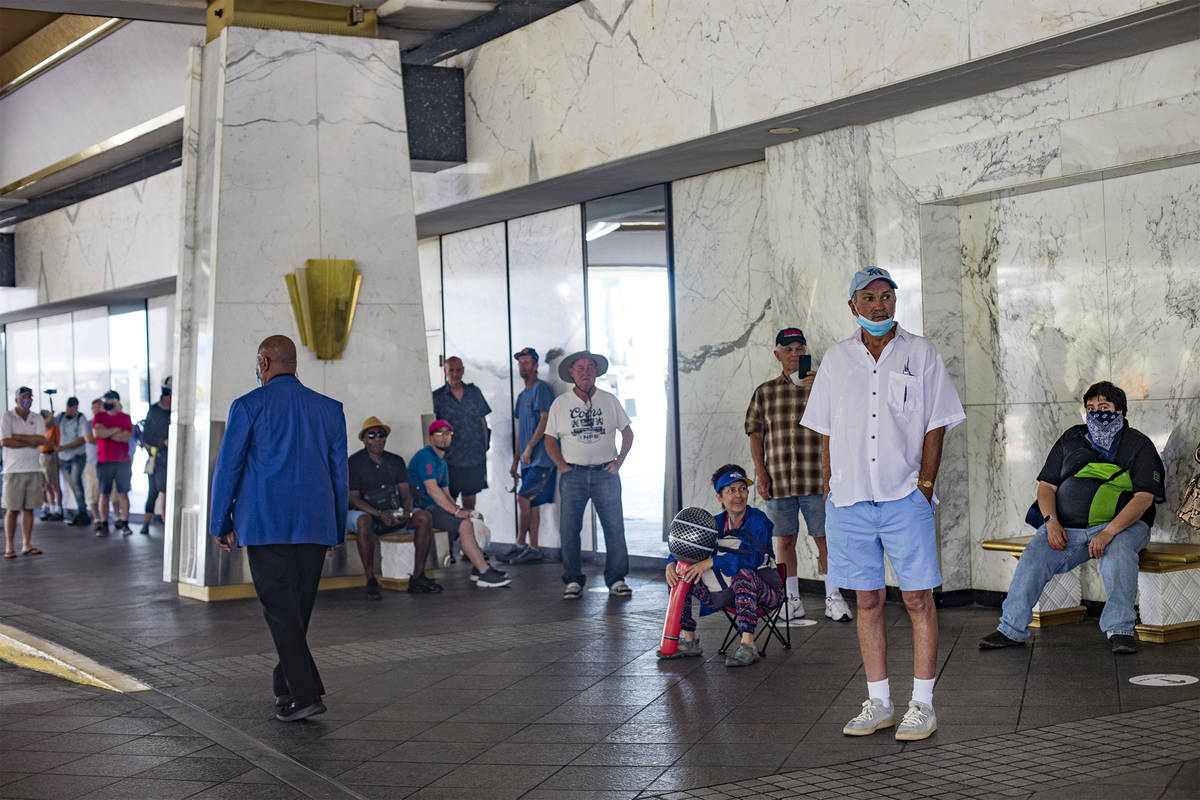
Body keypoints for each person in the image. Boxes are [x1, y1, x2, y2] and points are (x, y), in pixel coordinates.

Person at [802, 266, 965, 742]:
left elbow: (937, 423)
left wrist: (926, 486)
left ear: (896, 301)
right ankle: (878, 701)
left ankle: (922, 704)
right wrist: (831, 485)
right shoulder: (836, 359)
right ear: (853, 306)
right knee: (867, 600)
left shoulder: (922, 353)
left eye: (887, 296)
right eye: (869, 297)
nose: (880, 305)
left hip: (905, 496)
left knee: (917, 598)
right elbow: (826, 428)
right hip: (850, 501)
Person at [209, 335, 347, 723]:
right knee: (296, 611)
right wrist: (336, 527)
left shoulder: (248, 406)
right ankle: (285, 685)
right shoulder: (330, 409)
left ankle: (305, 694)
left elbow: (229, 468)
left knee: (281, 612)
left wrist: (221, 522)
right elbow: (340, 473)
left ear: (265, 363)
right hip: (316, 525)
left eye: (258, 364)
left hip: (265, 524)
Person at [980, 381, 1165, 655]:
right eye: (1090, 408)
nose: (1096, 413)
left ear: (1121, 410)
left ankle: (1121, 630)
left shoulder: (1138, 444)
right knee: (1034, 557)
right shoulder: (1072, 438)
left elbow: (1144, 498)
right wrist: (1051, 521)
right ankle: (1010, 629)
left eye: (1104, 407)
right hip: (1067, 528)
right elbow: (1047, 486)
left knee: (1118, 555)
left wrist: (1109, 532)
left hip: (1123, 527)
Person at [746, 327, 853, 624]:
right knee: (784, 541)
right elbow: (755, 434)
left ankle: (834, 596)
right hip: (778, 479)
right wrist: (760, 473)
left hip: (816, 478)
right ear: (777, 354)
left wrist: (824, 386)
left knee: (824, 538)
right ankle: (791, 598)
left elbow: (844, 420)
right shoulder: (765, 392)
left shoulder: (823, 386)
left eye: (799, 348)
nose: (795, 354)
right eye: (789, 349)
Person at [660, 465, 783, 667]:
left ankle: (748, 645)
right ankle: (689, 639)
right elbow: (685, 548)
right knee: (681, 574)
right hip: (727, 592)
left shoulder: (758, 520)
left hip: (765, 591)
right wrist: (671, 564)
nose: (738, 495)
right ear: (720, 497)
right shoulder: (713, 524)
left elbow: (752, 559)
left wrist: (712, 561)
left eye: (742, 489)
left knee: (744, 573)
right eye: (731, 490)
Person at [543, 350, 634, 599]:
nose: (586, 372)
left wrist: (619, 461)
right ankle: (572, 580)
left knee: (614, 528)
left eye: (590, 367)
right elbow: (549, 439)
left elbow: (627, 433)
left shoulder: (609, 400)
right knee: (569, 529)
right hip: (573, 475)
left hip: (606, 473)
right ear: (571, 373)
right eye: (580, 368)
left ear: (596, 372)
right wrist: (562, 466)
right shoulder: (560, 404)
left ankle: (616, 579)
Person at [348, 415, 441, 599]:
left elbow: (405, 494)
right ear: (364, 440)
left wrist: (405, 512)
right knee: (363, 521)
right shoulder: (354, 462)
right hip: (368, 513)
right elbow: (353, 499)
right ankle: (370, 580)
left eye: (380, 434)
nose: (377, 439)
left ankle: (418, 577)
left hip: (393, 512)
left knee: (423, 517)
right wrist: (378, 513)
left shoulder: (395, 461)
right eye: (372, 435)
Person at [409, 420, 510, 588]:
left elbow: (446, 493)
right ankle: (484, 572)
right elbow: (432, 490)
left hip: (436, 507)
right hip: (422, 509)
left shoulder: (442, 462)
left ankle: (478, 568)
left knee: (475, 517)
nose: (444, 438)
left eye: (447, 434)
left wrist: (462, 510)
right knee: (464, 525)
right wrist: (456, 513)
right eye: (439, 434)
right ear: (430, 437)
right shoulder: (425, 457)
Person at [507, 347, 555, 564]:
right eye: (520, 363)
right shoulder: (522, 396)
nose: (523, 366)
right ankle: (533, 548)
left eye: (527, 363)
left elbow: (546, 420)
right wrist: (516, 459)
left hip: (542, 457)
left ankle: (519, 544)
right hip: (527, 460)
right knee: (531, 503)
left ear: (536, 366)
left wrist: (530, 448)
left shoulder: (541, 389)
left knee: (522, 498)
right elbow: (521, 431)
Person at [431, 356, 491, 513]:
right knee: (449, 505)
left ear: (463, 371)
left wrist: (484, 448)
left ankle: (467, 536)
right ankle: (453, 537)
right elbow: (432, 430)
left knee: (470, 505)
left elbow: (483, 422)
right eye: (451, 370)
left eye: (458, 370)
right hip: (450, 461)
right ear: (445, 371)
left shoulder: (473, 392)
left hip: (474, 459)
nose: (455, 374)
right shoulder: (437, 397)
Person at [2, 387, 48, 558]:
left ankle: (26, 545)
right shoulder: (8, 417)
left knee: (29, 508)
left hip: (34, 468)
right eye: (23, 397)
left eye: (29, 397)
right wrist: (30, 442)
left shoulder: (37, 418)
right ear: (16, 399)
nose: (26, 400)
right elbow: (5, 441)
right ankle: (9, 546)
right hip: (13, 469)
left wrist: (19, 437)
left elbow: (42, 440)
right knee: (12, 508)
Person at [92, 390, 134, 536]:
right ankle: (104, 524)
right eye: (106, 401)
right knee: (104, 493)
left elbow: (125, 437)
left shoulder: (125, 417)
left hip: (123, 461)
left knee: (123, 493)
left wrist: (107, 432)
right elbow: (97, 434)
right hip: (105, 460)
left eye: (110, 401)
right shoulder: (99, 416)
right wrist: (115, 430)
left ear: (116, 402)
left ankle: (125, 523)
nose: (107, 403)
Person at [140, 377, 171, 534]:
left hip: (170, 459)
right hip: (157, 458)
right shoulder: (154, 411)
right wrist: (162, 442)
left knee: (165, 491)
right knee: (155, 491)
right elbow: (146, 438)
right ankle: (147, 523)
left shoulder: (175, 411)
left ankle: (166, 524)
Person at [57, 397, 92, 526]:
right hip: (63, 457)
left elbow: (81, 439)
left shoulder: (80, 418)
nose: (71, 410)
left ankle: (82, 511)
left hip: (77, 455)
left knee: (76, 482)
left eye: (74, 408)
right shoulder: (61, 417)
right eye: (69, 407)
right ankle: (80, 509)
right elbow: (47, 426)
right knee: (72, 484)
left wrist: (63, 447)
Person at [38, 409, 64, 521]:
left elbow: (54, 442)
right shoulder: (40, 429)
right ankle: (48, 507)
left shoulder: (54, 427)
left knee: (54, 484)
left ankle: (57, 509)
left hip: (51, 456)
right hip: (41, 456)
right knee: (45, 486)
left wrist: (50, 417)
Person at [83, 398, 103, 526]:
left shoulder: (107, 422)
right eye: (93, 407)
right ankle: (96, 519)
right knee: (92, 493)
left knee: (107, 494)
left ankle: (109, 518)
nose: (95, 410)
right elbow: (89, 439)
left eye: (98, 407)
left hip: (106, 463)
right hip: (92, 463)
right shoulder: (88, 424)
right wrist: (106, 438)